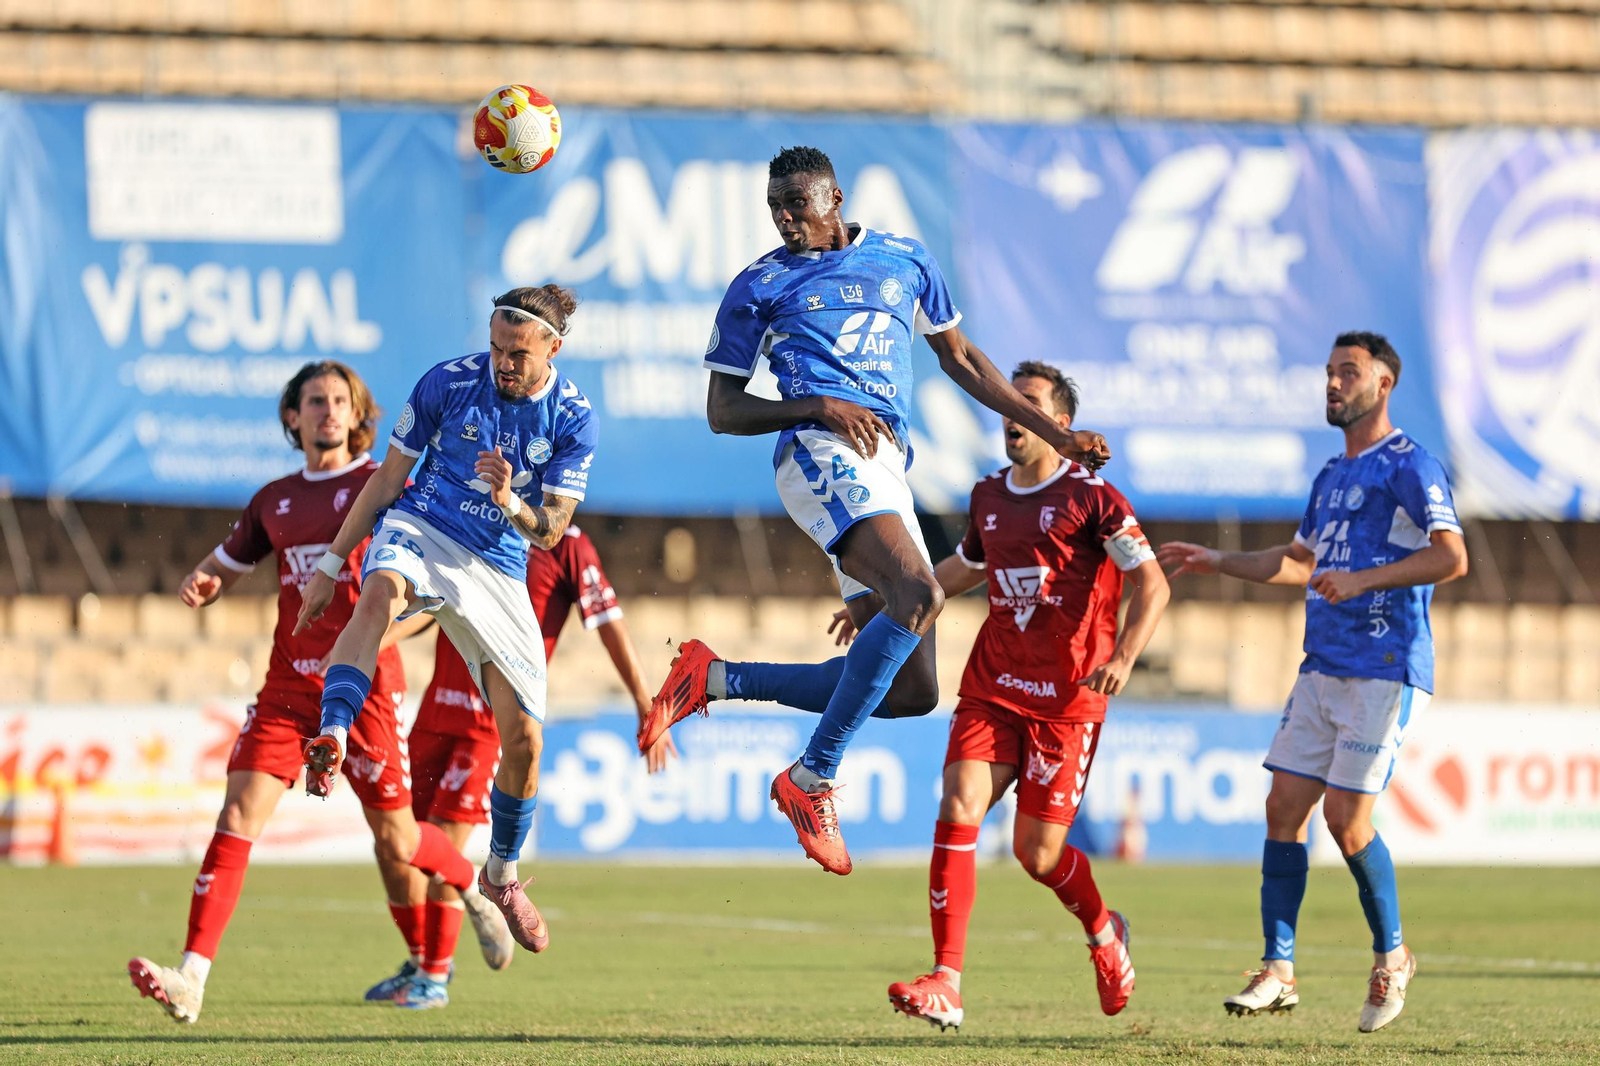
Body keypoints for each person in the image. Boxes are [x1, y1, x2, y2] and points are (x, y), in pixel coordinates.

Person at [637, 145, 1111, 876]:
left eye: (797, 205)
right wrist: (818, 404)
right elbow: (723, 411)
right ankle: (811, 778)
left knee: (914, 691)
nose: (786, 220)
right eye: (775, 208)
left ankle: (715, 679)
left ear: (835, 199)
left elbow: (964, 360)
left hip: (889, 468)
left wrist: (1058, 436)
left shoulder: (904, 260)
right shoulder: (757, 286)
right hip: (818, 454)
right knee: (918, 594)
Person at [127, 361, 485, 1024]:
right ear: (293, 417)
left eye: (339, 401)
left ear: (358, 414)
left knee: (398, 842)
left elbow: (435, 600)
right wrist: (205, 580)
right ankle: (192, 979)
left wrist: (370, 643)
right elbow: (228, 560)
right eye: (314, 401)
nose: (327, 411)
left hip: (367, 689)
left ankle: (468, 892)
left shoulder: (388, 489)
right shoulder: (274, 499)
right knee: (237, 816)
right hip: (289, 688)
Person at [1158, 331, 1468, 1034]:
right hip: (1322, 667)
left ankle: (1392, 956)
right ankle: (1279, 970)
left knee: (1345, 820)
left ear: (1383, 384)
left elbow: (1452, 557)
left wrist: (1364, 579)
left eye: (1348, 372)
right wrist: (1217, 559)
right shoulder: (1331, 475)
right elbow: (1297, 562)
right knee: (1283, 809)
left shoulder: (1411, 465)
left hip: (1383, 669)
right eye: (1328, 371)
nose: (1332, 383)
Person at [294, 285, 597, 992]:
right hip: (422, 528)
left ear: (553, 347)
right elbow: (384, 485)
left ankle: (501, 875)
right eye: (495, 346)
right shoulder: (448, 383)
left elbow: (551, 529)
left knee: (524, 741)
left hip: (497, 562)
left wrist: (510, 503)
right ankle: (332, 731)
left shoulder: (575, 418)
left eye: (517, 352)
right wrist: (333, 563)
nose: (502, 363)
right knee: (379, 592)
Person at [851, 362, 1167, 1031]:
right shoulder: (989, 495)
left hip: (1066, 702)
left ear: (1060, 423)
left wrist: (1123, 657)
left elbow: (1154, 583)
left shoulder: (1094, 497)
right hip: (994, 687)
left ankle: (1106, 932)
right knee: (959, 805)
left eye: (1027, 404)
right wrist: (884, 602)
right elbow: (962, 570)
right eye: (1006, 403)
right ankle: (947, 980)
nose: (1009, 414)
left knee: (1037, 856)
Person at [372, 525, 675, 1008]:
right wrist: (369, 639)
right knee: (393, 844)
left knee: (442, 839)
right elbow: (430, 606)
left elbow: (608, 621)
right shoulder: (467, 520)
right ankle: (434, 937)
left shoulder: (568, 544)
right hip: (434, 715)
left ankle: (434, 975)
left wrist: (645, 701)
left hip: (491, 724)